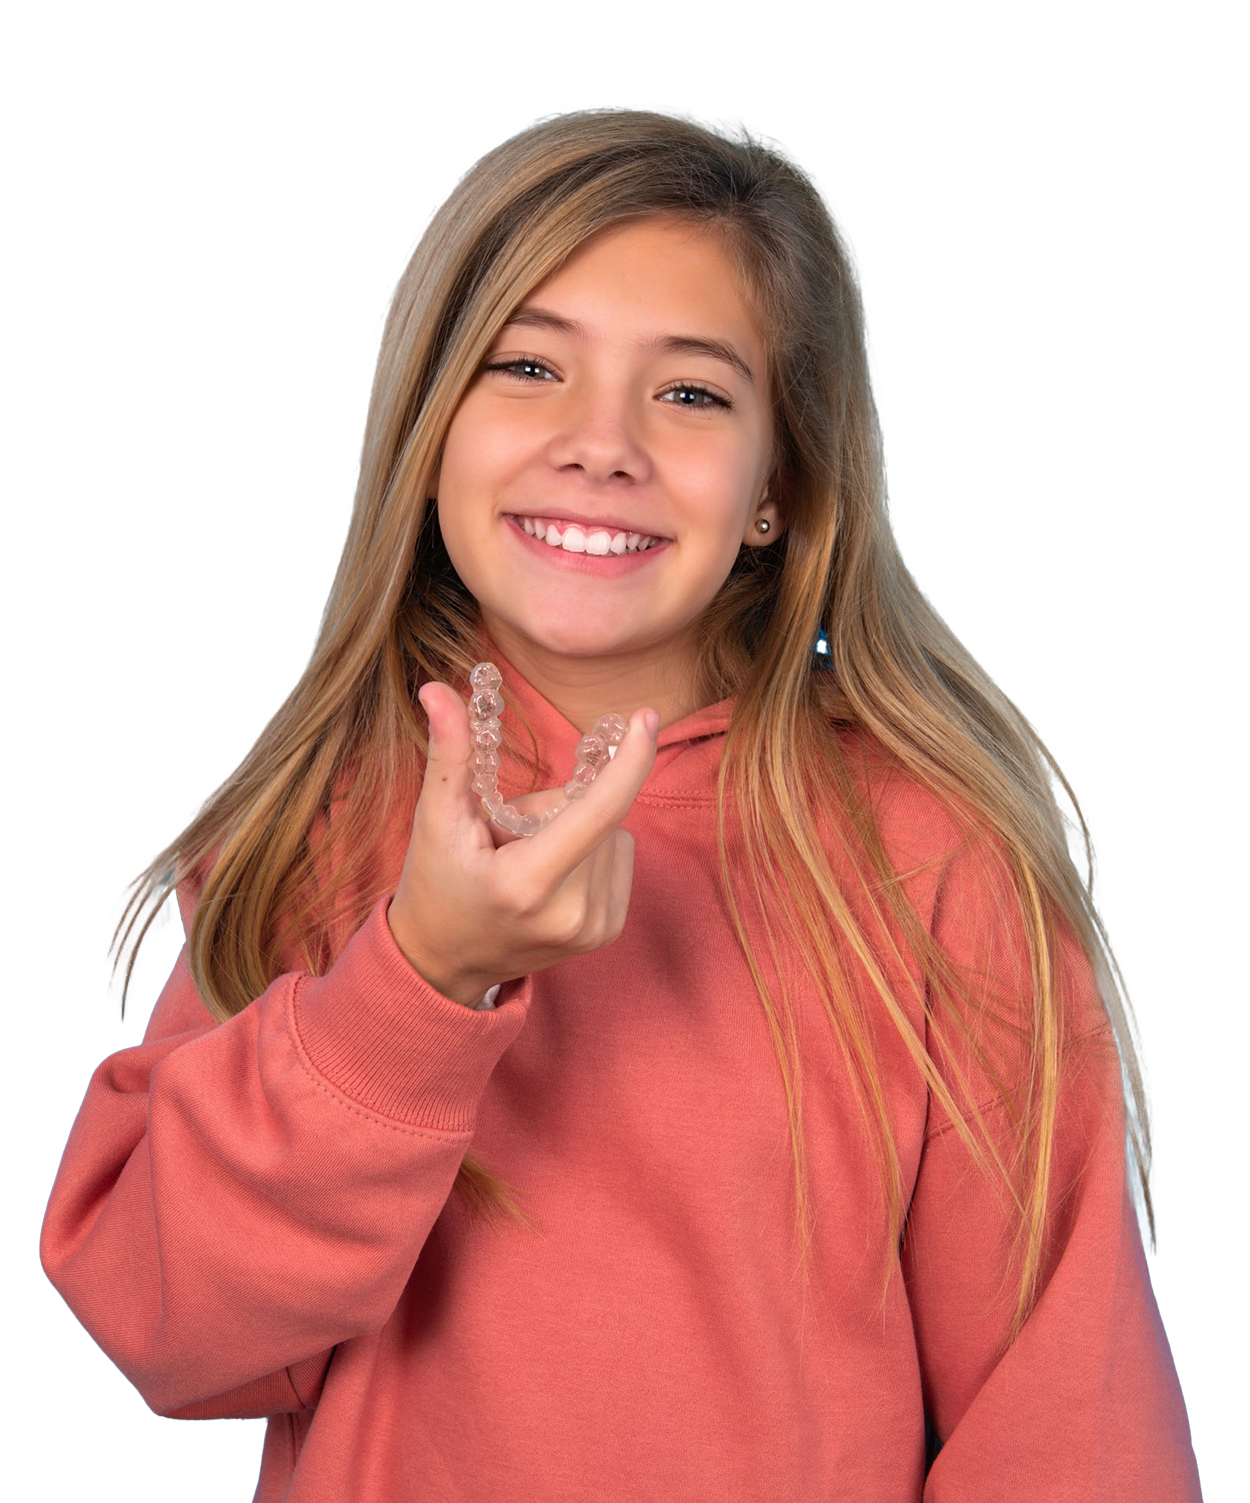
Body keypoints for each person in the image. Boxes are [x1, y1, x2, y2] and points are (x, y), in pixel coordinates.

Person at [39, 105, 1201, 1501]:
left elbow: (1067, 1421)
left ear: (777, 485)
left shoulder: (930, 854)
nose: (601, 444)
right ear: (431, 429)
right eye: (528, 366)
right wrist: (421, 978)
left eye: (691, 393)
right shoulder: (314, 826)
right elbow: (177, 1332)